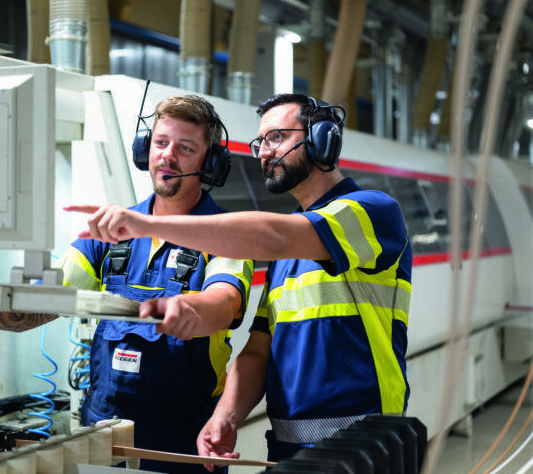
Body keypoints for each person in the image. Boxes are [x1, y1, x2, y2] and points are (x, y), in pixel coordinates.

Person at [66, 93, 413, 467]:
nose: (265, 152)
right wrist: (226, 417)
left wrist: (147, 225)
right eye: (260, 142)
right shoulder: (288, 256)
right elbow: (258, 351)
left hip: (362, 446)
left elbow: (273, 238)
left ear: (322, 138)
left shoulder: (373, 211)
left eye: (277, 137)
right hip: (289, 449)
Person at [61, 94, 253, 474]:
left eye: (185, 148)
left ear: (209, 163)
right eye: (161, 143)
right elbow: (47, 297)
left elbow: (224, 304)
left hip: (184, 438)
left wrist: (190, 309)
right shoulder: (108, 230)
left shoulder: (227, 236)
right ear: (145, 149)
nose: (168, 156)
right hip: (103, 427)